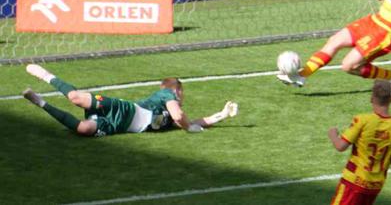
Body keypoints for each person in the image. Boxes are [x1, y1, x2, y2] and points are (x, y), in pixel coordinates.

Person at [22, 64, 238, 137]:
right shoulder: (166, 95)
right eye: (181, 94)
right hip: (124, 110)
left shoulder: (169, 117)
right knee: (75, 97)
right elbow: (181, 117)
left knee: (83, 129)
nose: (181, 98)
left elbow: (194, 121)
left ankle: (39, 102)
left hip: (118, 126)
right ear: (176, 91)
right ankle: (45, 75)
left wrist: (222, 114)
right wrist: (188, 127)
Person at [328, 80, 391, 205]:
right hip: (375, 186)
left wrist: (333, 135)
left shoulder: (362, 120)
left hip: (353, 181)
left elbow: (340, 146)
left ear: (371, 98)